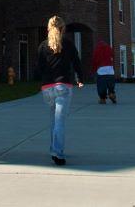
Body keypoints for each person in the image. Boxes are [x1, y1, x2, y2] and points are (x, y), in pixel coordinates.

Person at [36, 15, 84, 166]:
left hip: (47, 88)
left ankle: (54, 149)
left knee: (54, 121)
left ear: (49, 28)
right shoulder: (68, 44)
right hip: (63, 86)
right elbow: (76, 62)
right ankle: (58, 153)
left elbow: (39, 68)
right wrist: (80, 78)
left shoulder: (43, 46)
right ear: (63, 29)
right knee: (60, 122)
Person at [90, 39, 117, 104]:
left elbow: (94, 61)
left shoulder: (97, 50)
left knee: (101, 86)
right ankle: (111, 93)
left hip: (101, 70)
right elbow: (113, 57)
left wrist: (93, 70)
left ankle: (102, 98)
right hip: (110, 70)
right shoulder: (109, 49)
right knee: (111, 84)